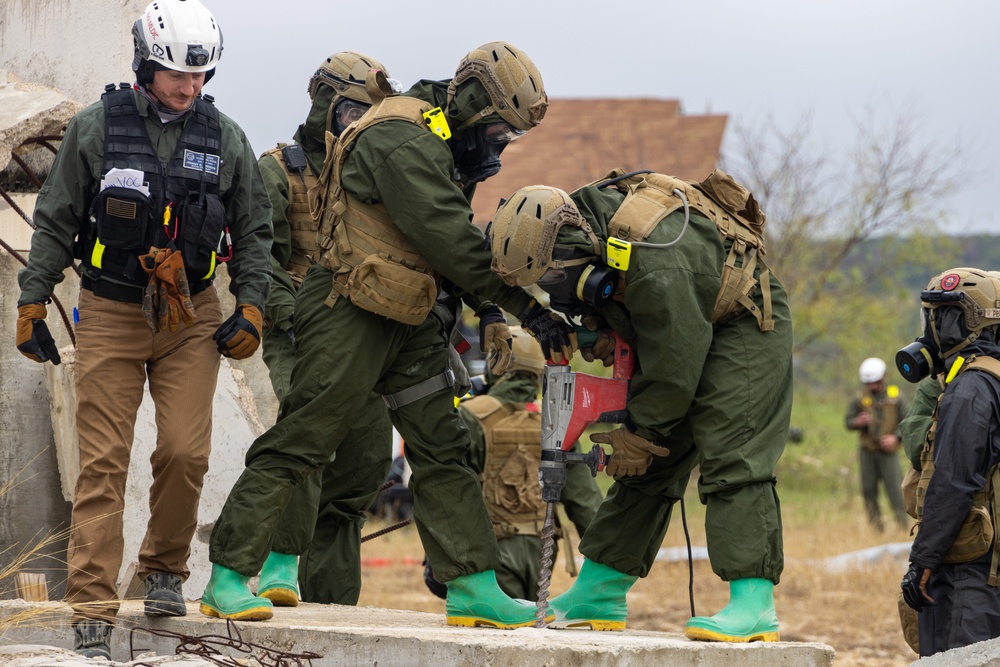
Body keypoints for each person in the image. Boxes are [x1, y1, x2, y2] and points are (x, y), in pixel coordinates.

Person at [201, 42, 577, 629]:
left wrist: (493, 313)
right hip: (350, 310)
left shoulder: (442, 137)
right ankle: (228, 575)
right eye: (502, 129)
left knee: (443, 443)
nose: (501, 145)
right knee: (303, 438)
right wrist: (526, 309)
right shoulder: (402, 139)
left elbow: (452, 243)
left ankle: (475, 585)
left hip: (409, 317)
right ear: (476, 103)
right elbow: (450, 239)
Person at [14, 0, 272, 659]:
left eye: (202, 77)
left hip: (191, 315)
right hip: (110, 309)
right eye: (177, 75)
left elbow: (257, 231)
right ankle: (93, 609)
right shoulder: (97, 129)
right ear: (145, 65)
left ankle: (163, 567)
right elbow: (54, 217)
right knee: (103, 462)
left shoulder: (227, 139)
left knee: (185, 451)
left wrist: (252, 306)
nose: (190, 88)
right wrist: (33, 300)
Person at [488, 170, 792, 641]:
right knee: (647, 467)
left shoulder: (655, 258)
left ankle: (753, 605)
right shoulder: (588, 223)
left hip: (745, 324)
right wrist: (607, 328)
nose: (552, 290)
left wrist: (642, 432)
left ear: (573, 247)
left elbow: (673, 363)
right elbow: (649, 317)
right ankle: (599, 592)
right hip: (690, 318)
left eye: (552, 276)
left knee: (735, 456)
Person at [253, 51, 397, 607]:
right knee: (306, 447)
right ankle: (277, 571)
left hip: (360, 332)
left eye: (370, 113)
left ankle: (333, 604)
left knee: (363, 464)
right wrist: (298, 316)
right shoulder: (277, 171)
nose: (358, 122)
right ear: (323, 102)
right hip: (297, 333)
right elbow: (261, 259)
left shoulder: (372, 174)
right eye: (352, 109)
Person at [424, 327, 604, 601]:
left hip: (488, 551)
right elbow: (584, 502)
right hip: (541, 551)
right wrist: (605, 568)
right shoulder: (557, 424)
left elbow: (448, 494)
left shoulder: (470, 416)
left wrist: (436, 557)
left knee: (489, 632)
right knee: (529, 633)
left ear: (495, 365)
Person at [898, 267, 1000, 657]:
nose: (932, 329)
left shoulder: (970, 389)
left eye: (939, 316)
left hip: (969, 575)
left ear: (965, 321)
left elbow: (954, 482)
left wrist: (922, 560)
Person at [845, 357, 909, 531]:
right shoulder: (859, 399)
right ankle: (876, 528)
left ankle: (903, 526)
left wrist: (896, 438)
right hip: (867, 451)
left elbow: (908, 422)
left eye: (876, 382)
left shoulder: (896, 397)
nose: (872, 386)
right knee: (868, 490)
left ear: (883, 378)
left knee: (895, 490)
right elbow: (848, 421)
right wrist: (858, 422)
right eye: (869, 383)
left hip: (888, 453)